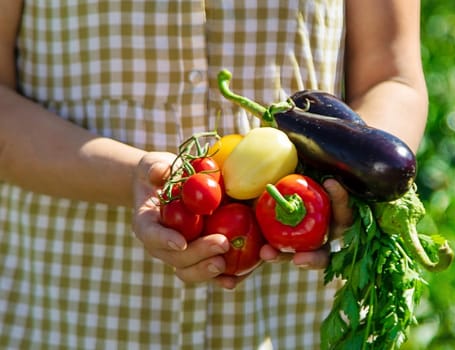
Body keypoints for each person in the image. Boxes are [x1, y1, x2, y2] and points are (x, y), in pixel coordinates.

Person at [0, 1, 428, 348]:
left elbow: (392, 75)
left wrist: (355, 179)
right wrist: (133, 177)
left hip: (295, 315)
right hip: (72, 310)